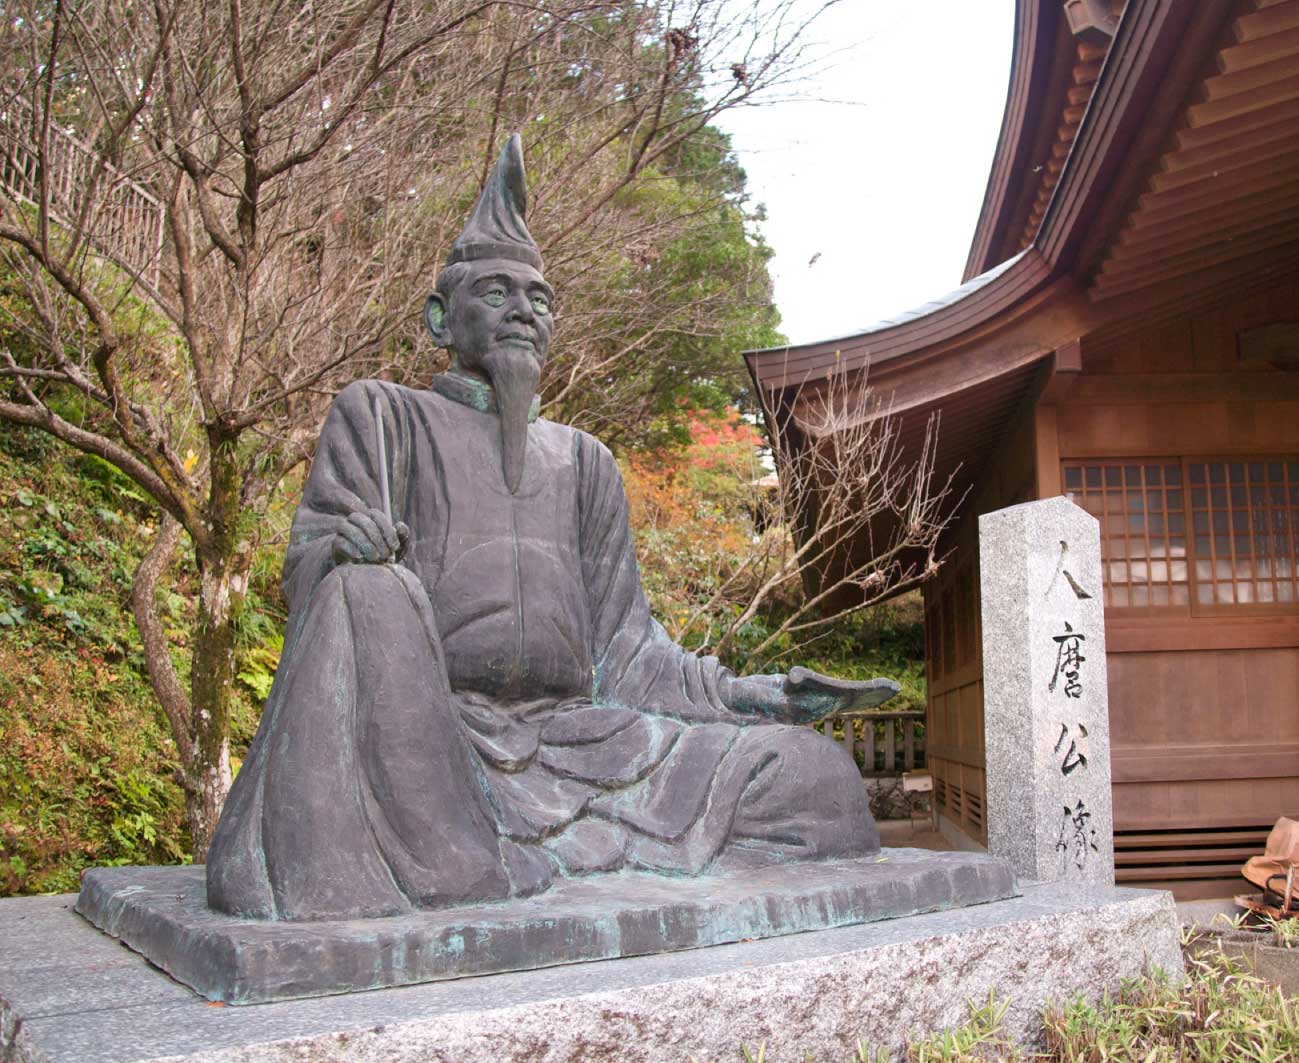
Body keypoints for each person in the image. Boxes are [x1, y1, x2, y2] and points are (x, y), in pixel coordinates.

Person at [206, 137, 895, 922]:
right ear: (441, 317)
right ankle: (455, 853)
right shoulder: (383, 416)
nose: (523, 310)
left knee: (819, 779)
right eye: (497, 292)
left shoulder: (585, 462)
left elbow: (629, 651)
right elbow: (312, 583)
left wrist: (757, 695)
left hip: (584, 741)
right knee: (369, 589)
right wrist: (345, 546)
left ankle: (536, 849)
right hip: (435, 737)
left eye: (538, 297)